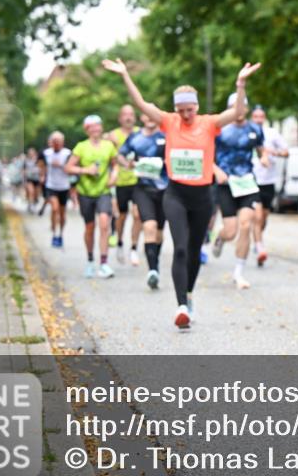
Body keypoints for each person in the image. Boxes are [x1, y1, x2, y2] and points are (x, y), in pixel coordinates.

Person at [103, 56, 261, 329]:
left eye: (189, 109)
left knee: (194, 250)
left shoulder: (209, 123)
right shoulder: (168, 121)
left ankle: (188, 294)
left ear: (196, 107)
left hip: (202, 197)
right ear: (175, 109)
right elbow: (141, 104)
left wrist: (240, 83)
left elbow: (236, 112)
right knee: (179, 249)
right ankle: (181, 307)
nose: (185, 115)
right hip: (175, 194)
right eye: (181, 110)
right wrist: (125, 74)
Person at [212, 93, 266, 289]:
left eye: (242, 105)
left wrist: (264, 157)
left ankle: (238, 273)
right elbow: (207, 155)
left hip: (247, 183)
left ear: (247, 109)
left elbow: (261, 148)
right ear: (229, 109)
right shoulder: (219, 130)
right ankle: (220, 237)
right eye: (235, 106)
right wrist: (216, 170)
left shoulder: (255, 129)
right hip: (226, 184)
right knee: (231, 231)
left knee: (245, 224)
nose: (239, 109)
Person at [117, 113, 168, 289]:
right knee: (149, 226)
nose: (151, 118)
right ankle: (152, 270)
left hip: (164, 189)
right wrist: (127, 164)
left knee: (159, 232)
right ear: (143, 118)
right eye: (147, 115)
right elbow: (120, 155)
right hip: (143, 188)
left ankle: (155, 262)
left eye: (154, 115)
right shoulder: (135, 137)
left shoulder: (165, 135)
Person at [65, 115, 118, 279]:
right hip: (85, 192)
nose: (96, 129)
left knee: (104, 224)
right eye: (92, 126)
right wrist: (85, 170)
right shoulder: (81, 147)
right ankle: (90, 261)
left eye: (98, 125)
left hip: (103, 191)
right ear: (86, 130)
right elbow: (68, 168)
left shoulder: (109, 146)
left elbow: (115, 165)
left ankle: (104, 263)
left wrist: (113, 177)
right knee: (90, 227)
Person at [250, 106, 289, 267]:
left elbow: (286, 152)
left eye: (261, 116)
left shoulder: (272, 133)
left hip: (269, 182)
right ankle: (260, 248)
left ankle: (258, 239)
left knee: (264, 218)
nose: (258, 119)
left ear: (264, 117)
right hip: (252, 180)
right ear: (252, 118)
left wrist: (273, 152)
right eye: (255, 116)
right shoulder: (248, 133)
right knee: (257, 217)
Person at [107, 105, 142, 266]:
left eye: (131, 114)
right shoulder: (113, 135)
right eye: (125, 115)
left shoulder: (140, 133)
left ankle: (134, 248)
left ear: (135, 117)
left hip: (138, 180)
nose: (128, 117)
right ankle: (120, 242)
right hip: (120, 181)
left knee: (138, 214)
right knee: (121, 216)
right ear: (120, 118)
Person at [42, 131, 72, 247]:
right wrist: (42, 175)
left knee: (62, 214)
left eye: (58, 141)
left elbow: (71, 169)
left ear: (62, 142)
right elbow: (41, 165)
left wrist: (60, 165)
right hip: (51, 186)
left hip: (64, 186)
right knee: (55, 209)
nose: (56, 143)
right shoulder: (46, 153)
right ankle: (54, 233)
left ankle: (60, 234)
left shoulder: (67, 153)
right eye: (54, 141)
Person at [23, 147, 43, 213]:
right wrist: (25, 176)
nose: (31, 154)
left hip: (37, 179)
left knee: (36, 194)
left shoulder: (38, 160)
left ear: (35, 153)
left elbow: (42, 168)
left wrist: (42, 176)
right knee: (31, 191)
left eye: (32, 153)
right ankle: (31, 205)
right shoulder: (26, 161)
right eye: (30, 153)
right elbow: (23, 170)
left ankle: (34, 203)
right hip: (29, 179)